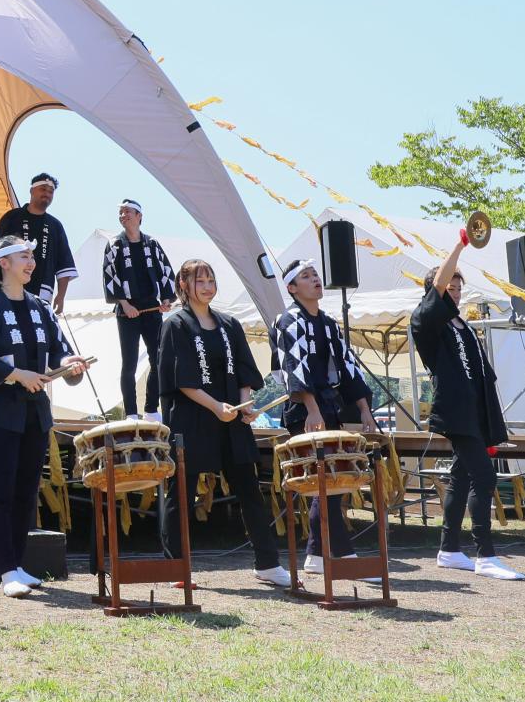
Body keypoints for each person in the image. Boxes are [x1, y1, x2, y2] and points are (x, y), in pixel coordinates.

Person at [154, 262, 289, 589]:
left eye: (211, 279)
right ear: (183, 284)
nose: (207, 285)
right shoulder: (175, 324)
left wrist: (246, 406)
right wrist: (216, 407)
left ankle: (267, 563)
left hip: (231, 419)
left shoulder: (229, 324)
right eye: (199, 280)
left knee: (249, 488)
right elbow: (181, 379)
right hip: (192, 416)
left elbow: (244, 371)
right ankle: (177, 567)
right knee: (181, 494)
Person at [0, 236, 87, 597]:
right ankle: (6, 571)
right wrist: (18, 375)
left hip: (35, 413)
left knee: (26, 492)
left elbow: (59, 350)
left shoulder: (41, 307)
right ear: (3, 263)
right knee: (0, 493)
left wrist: (69, 364)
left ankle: (17, 564)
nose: (31, 262)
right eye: (23, 256)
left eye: (32, 256)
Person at [410, 228, 522, 580]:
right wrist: (460, 245)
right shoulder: (425, 320)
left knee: (460, 477)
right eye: (449, 287)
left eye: (460, 288)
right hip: (457, 411)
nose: (455, 292)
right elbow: (439, 286)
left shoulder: (462, 323)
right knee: (484, 476)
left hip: (476, 408)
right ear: (434, 291)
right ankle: (485, 554)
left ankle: (448, 549)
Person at [271, 257, 376, 569]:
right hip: (303, 410)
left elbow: (349, 368)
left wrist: (365, 411)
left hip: (327, 407)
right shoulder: (289, 320)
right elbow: (293, 369)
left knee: (332, 483)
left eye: (315, 274)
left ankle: (318, 555)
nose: (315, 279)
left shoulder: (329, 324)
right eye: (306, 276)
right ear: (292, 288)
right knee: (323, 482)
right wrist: (312, 409)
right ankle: (340, 556)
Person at [100, 199, 177, 416]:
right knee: (130, 362)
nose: (123, 216)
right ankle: (131, 413)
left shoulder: (152, 243)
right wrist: (124, 303)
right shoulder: (114, 244)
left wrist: (166, 299)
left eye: (127, 212)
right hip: (127, 311)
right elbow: (109, 275)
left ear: (139, 216)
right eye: (121, 213)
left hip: (151, 309)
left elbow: (166, 271)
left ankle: (151, 408)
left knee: (158, 358)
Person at [0, 172, 77, 312]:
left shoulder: (55, 225)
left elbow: (64, 263)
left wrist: (61, 296)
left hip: (42, 292)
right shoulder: (11, 218)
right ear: (31, 190)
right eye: (43, 189)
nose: (47, 194)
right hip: (10, 288)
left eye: (51, 192)